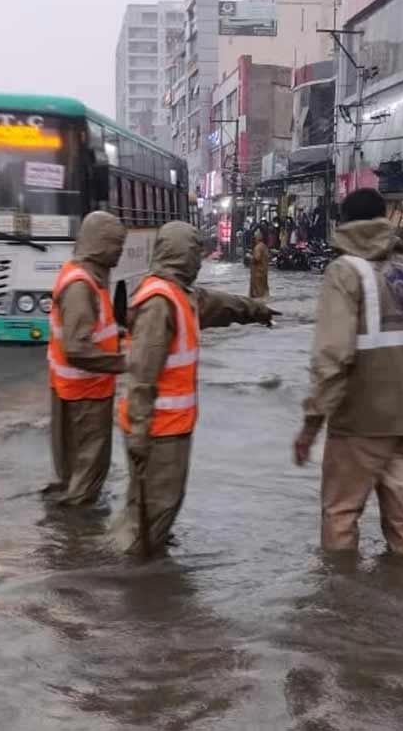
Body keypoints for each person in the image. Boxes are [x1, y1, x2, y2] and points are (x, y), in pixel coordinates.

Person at [292, 189, 403, 557]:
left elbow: (333, 356)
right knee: (402, 519)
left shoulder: (344, 272)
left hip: (359, 421)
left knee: (341, 514)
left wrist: (311, 423)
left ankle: (341, 588)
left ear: (344, 224)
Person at [112, 222, 275, 555]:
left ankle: (137, 559)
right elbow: (142, 375)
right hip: (156, 431)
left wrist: (256, 311)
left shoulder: (181, 294)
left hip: (169, 429)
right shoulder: (160, 301)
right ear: (181, 254)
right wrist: (140, 434)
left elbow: (222, 305)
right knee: (154, 512)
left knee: (156, 506)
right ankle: (132, 571)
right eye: (195, 252)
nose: (200, 260)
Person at [45, 212, 129, 506]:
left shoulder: (86, 278)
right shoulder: (81, 286)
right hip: (85, 394)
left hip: (76, 391)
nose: (120, 251)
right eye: (116, 244)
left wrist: (117, 333)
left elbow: (88, 330)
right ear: (99, 243)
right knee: (88, 473)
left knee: (76, 470)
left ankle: (67, 514)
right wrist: (125, 363)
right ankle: (76, 526)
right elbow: (77, 349)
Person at [249, 234, 270, 299]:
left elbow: (257, 258)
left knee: (257, 292)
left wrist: (250, 257)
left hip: (257, 273)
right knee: (264, 291)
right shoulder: (264, 246)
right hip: (264, 271)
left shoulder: (257, 247)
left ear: (256, 239)